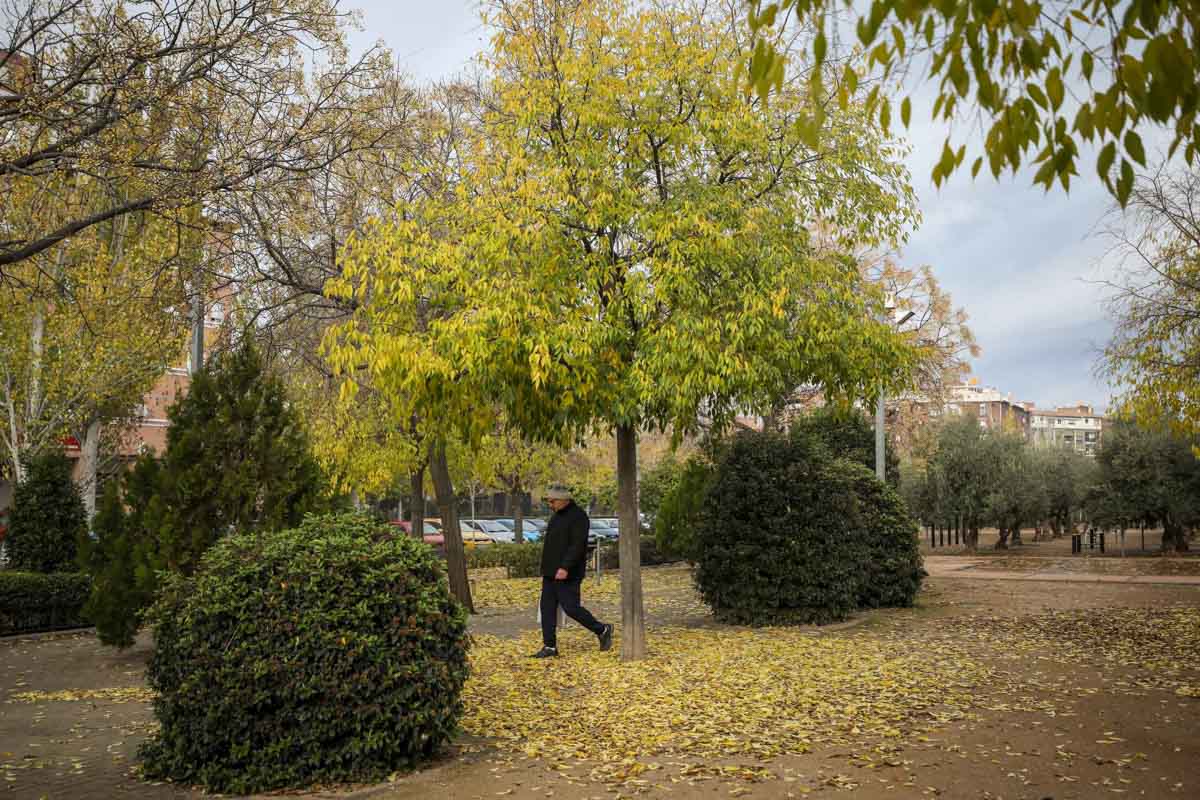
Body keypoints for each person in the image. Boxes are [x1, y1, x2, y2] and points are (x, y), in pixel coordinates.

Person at [530, 485, 613, 658]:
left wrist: (565, 567)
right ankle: (549, 646)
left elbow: (577, 546)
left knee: (571, 608)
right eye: (549, 501)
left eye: (553, 501)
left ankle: (602, 629)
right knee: (547, 608)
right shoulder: (556, 516)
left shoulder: (579, 517)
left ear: (564, 499)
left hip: (568, 572)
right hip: (550, 572)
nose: (550, 504)